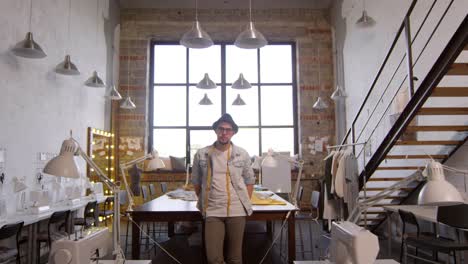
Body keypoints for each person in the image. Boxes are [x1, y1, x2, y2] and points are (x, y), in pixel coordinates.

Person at [192, 113, 255, 264]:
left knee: (235, 258)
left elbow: (249, 180)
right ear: (216, 130)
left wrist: (244, 201)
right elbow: (196, 182)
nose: (224, 132)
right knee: (213, 258)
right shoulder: (202, 154)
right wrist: (205, 200)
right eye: (221, 129)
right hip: (213, 209)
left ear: (233, 132)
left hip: (236, 210)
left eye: (228, 129)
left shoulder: (242, 154)